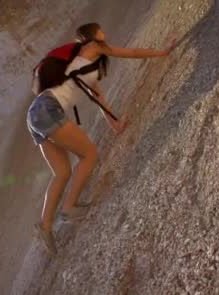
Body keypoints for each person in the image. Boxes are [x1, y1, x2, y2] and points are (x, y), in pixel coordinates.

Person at [27, 22, 177, 254]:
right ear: (92, 35)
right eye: (99, 29)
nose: (103, 30)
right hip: (47, 109)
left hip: (35, 114)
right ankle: (68, 208)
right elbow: (132, 53)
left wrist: (115, 125)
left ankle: (45, 226)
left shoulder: (83, 69)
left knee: (62, 172)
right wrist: (163, 51)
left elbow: (99, 100)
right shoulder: (93, 47)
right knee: (89, 155)